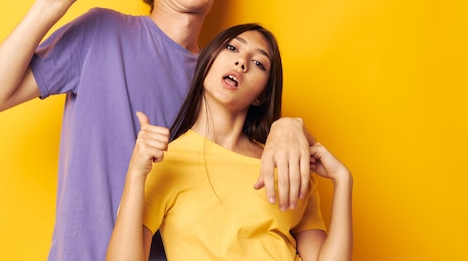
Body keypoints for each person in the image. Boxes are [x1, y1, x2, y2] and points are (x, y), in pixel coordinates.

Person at [0, 0, 313, 261]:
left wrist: (288, 127)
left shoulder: (218, 80)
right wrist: (51, 4)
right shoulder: (102, 32)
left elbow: (247, 159)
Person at [106, 23, 353, 261]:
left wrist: (342, 180)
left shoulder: (288, 164)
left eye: (258, 63)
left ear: (262, 96)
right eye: (233, 48)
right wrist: (137, 172)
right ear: (207, 62)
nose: (241, 62)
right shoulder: (166, 162)